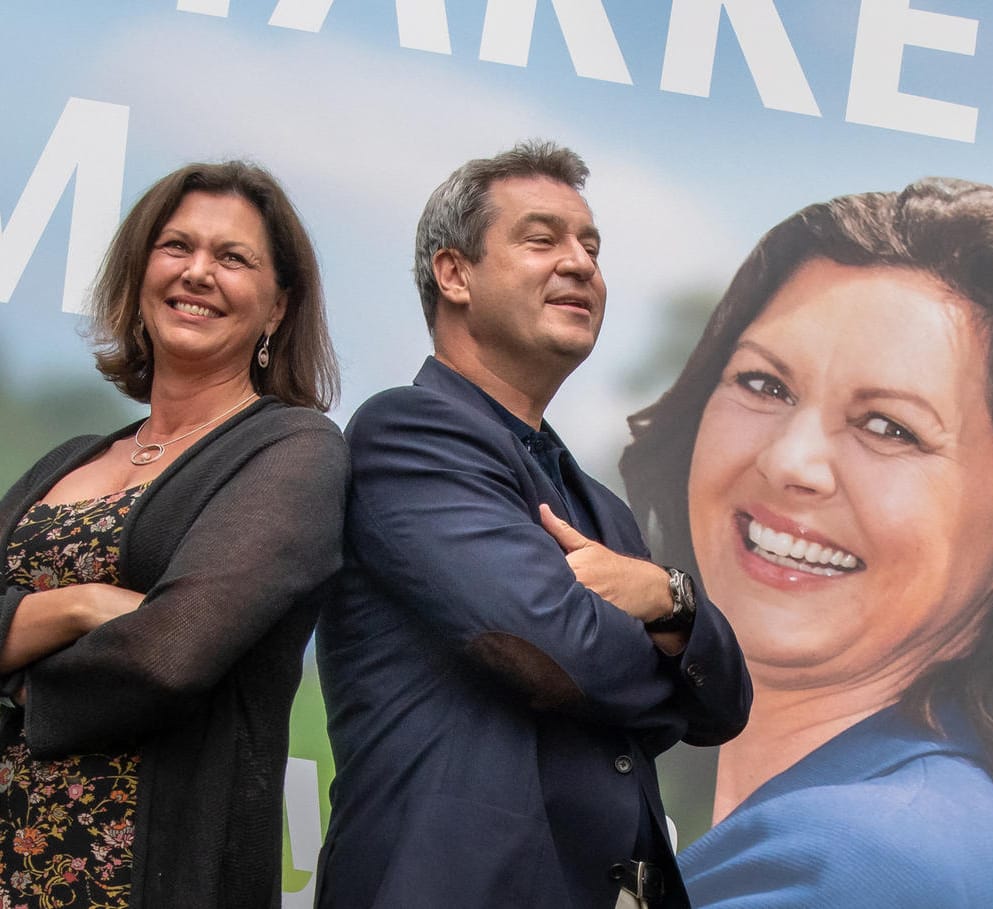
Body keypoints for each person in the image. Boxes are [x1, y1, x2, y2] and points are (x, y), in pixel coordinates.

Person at [620, 178, 993, 907]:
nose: (788, 461)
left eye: (888, 427)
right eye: (764, 383)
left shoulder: (851, 870)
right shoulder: (885, 830)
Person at [315, 140, 750, 909]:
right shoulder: (409, 434)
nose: (580, 263)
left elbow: (722, 705)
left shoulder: (599, 503)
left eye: (591, 245)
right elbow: (552, 649)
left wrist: (667, 594)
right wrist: (661, 668)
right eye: (542, 239)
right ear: (454, 274)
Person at [0, 161, 344, 907]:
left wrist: (18, 678)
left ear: (277, 308)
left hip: (148, 872)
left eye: (232, 258)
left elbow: (173, 650)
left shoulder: (294, 450)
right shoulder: (69, 458)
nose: (197, 272)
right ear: (140, 270)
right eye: (176, 246)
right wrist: (84, 604)